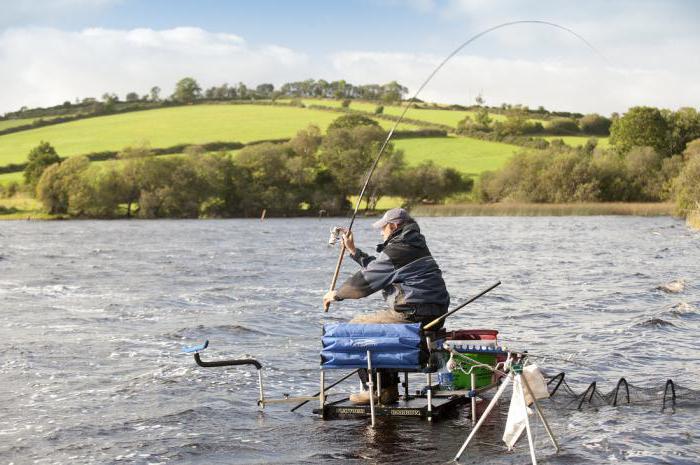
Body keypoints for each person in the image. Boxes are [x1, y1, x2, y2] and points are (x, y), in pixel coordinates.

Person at [323, 207, 450, 404]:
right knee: (377, 327)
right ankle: (388, 391)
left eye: (383, 228)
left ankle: (373, 389)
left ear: (394, 226)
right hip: (433, 312)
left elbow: (366, 281)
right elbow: (382, 268)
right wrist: (354, 252)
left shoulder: (399, 250)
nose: (381, 232)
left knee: (356, 328)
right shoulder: (413, 245)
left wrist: (336, 295)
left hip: (413, 313)